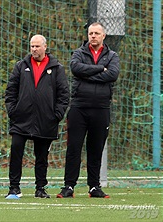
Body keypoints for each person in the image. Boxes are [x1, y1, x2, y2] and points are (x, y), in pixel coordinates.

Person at [56, 22, 120, 198]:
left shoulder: (112, 56)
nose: (93, 36)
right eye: (91, 33)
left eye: (96, 33)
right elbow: (76, 69)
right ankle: (69, 186)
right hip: (79, 108)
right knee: (73, 148)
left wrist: (88, 74)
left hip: (101, 108)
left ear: (103, 36)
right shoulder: (79, 53)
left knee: (95, 149)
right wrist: (100, 69)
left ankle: (94, 187)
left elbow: (113, 74)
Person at [5, 34, 70, 198]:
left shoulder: (56, 68)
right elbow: (10, 91)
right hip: (21, 119)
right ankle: (14, 188)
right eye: (32, 46)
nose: (34, 49)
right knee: (16, 151)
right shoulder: (21, 66)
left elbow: (64, 94)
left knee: (41, 157)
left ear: (45, 47)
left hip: (46, 121)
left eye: (37, 46)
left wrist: (56, 115)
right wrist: (13, 111)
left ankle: (40, 188)